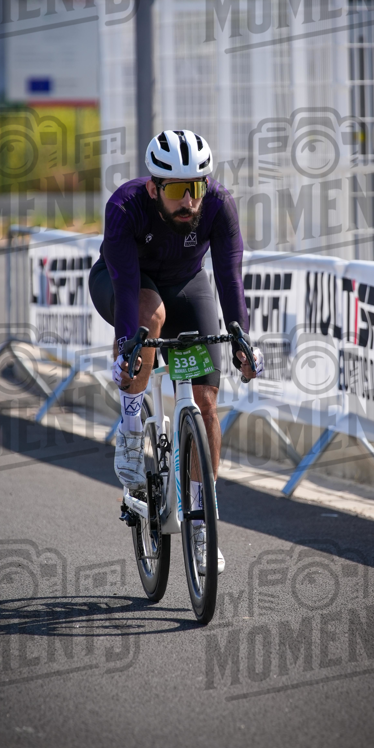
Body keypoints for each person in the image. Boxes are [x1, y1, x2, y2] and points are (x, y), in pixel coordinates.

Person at [89, 129, 263, 575]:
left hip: (187, 285)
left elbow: (229, 277)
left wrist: (241, 337)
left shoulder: (218, 206)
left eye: (197, 188)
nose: (190, 200)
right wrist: (129, 342)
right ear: (154, 188)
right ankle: (130, 432)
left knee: (206, 404)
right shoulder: (126, 206)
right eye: (178, 191)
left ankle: (202, 522)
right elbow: (128, 288)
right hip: (125, 284)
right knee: (151, 313)